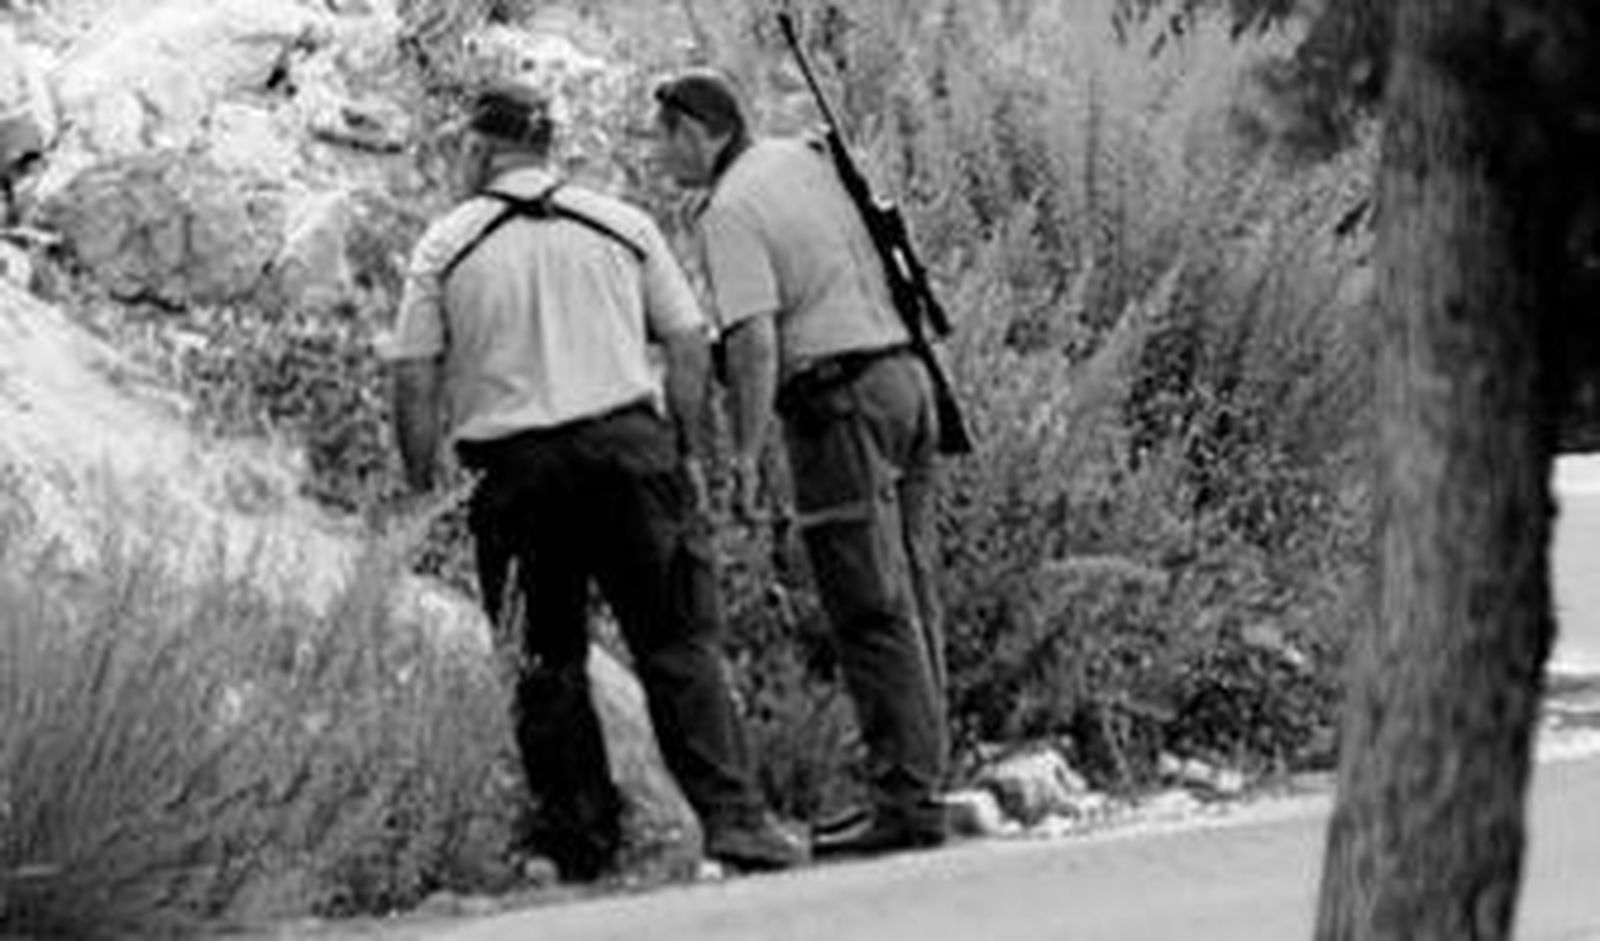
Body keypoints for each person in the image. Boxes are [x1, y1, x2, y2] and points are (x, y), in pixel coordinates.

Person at [383, 80, 807, 880]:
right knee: (679, 643)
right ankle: (736, 822)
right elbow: (686, 345)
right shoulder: (622, 222)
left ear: (479, 148)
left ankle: (582, 844)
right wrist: (688, 454)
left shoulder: (445, 245)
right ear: (547, 150)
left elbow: (413, 378)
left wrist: (422, 487)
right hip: (627, 453)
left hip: (516, 473)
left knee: (547, 660)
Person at [651, 69, 950, 857]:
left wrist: (744, 454)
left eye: (663, 139)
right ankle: (924, 782)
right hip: (906, 382)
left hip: (837, 403)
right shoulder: (801, 160)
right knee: (911, 594)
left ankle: (907, 802)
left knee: (867, 606)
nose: (659, 158)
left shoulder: (729, 209)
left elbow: (754, 340)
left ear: (694, 130)